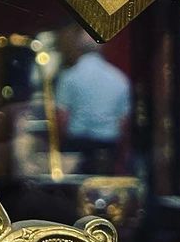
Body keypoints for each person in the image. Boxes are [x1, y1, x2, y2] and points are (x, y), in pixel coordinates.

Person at [53, 23, 131, 175]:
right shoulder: (120, 79)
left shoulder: (69, 77)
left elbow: (62, 117)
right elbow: (123, 121)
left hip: (76, 145)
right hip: (107, 146)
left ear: (79, 46)